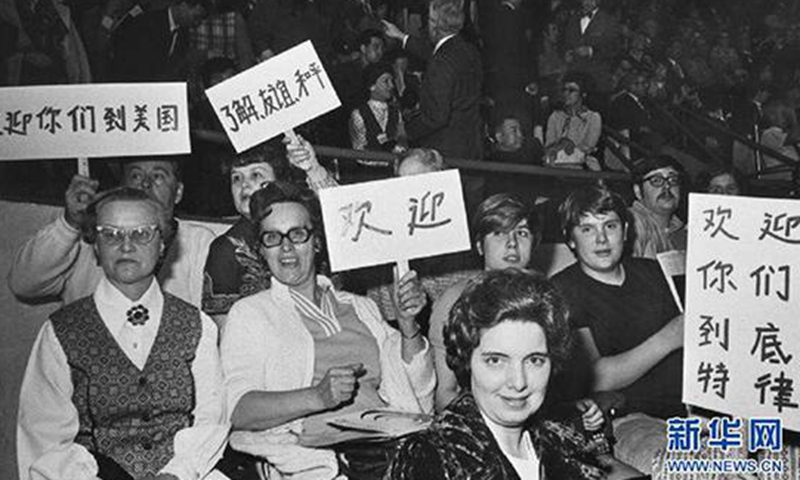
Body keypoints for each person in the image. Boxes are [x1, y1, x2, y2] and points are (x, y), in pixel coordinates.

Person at [220, 181, 434, 479]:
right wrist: (317, 397)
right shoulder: (251, 313)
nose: (286, 247)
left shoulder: (362, 307)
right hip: (315, 462)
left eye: (297, 234)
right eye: (272, 237)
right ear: (261, 250)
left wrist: (409, 327)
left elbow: (419, 394)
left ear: (316, 242)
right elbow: (238, 410)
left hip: (389, 450)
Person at [17, 187, 227, 480]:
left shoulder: (198, 326)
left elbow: (211, 420)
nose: (126, 246)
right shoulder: (61, 332)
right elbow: (44, 440)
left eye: (142, 233)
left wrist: (177, 474)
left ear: (163, 244)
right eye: (111, 234)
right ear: (96, 247)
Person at [386, 269, 606, 480]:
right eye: (496, 361)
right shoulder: (429, 459)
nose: (518, 382)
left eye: (534, 360)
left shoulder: (564, 447)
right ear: (467, 360)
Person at [551, 182, 684, 475]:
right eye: (586, 229)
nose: (601, 238)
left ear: (625, 231)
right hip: (630, 418)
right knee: (687, 469)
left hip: (692, 410)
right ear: (571, 239)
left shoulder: (652, 272)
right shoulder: (563, 290)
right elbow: (597, 376)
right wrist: (669, 339)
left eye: (609, 226)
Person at [9, 158, 215, 308]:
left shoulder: (198, 241)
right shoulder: (88, 235)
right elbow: (24, 284)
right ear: (122, 185)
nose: (145, 184)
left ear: (178, 192)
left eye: (158, 176)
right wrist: (69, 224)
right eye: (135, 175)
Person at [430, 193, 540, 411]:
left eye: (522, 233)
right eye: (499, 233)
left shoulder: (544, 299)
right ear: (480, 246)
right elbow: (445, 393)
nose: (512, 244)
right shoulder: (455, 300)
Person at [110, 0, 209, 81]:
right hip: (132, 82)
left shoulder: (184, 34)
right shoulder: (146, 22)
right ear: (183, 6)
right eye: (196, 17)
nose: (197, 23)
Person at [629, 155, 687, 259]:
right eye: (656, 181)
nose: (667, 187)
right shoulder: (633, 223)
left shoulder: (680, 230)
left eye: (673, 180)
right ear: (638, 191)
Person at [562, 0, 621, 96]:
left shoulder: (609, 20)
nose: (588, 2)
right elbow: (565, 44)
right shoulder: (572, 19)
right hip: (575, 79)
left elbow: (615, 48)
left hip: (598, 79)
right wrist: (566, 53)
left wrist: (591, 51)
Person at [544, 74, 602, 170]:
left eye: (571, 90)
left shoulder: (593, 118)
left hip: (582, 166)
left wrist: (566, 146)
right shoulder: (555, 116)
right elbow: (549, 144)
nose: (566, 94)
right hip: (556, 165)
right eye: (564, 90)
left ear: (583, 94)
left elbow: (588, 147)